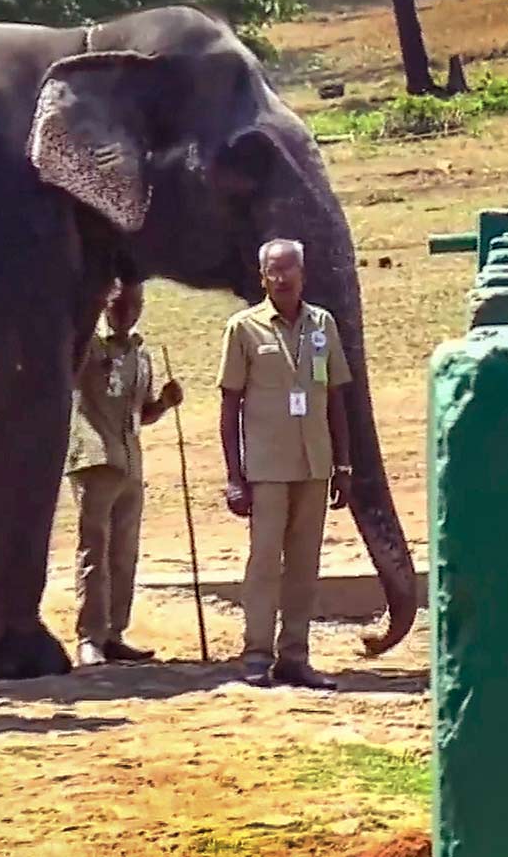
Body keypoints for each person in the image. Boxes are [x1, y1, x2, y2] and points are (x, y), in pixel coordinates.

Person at [218, 238, 353, 691]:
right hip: (266, 467)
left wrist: (345, 466)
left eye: (288, 269)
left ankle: (295, 655)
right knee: (263, 563)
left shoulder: (322, 325)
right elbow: (229, 405)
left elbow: (335, 397)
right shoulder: (244, 328)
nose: (282, 278)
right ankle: (256, 654)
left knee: (304, 564)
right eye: (273, 271)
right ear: (262, 277)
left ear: (303, 273)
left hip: (315, 464)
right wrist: (234, 477)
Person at [66, 281, 183, 667]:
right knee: (94, 551)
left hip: (131, 461)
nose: (128, 310)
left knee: (124, 553)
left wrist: (164, 403)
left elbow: (141, 414)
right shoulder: (88, 347)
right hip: (96, 459)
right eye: (119, 303)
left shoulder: (141, 355)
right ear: (105, 304)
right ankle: (89, 636)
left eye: (135, 303)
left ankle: (115, 632)